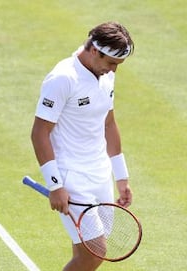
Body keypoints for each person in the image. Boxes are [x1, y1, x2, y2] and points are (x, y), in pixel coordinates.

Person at [31, 21, 135, 271]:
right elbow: (39, 133)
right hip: (71, 176)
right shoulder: (62, 78)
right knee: (95, 253)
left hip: (99, 174)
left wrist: (121, 177)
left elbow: (108, 123)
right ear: (94, 51)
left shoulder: (105, 75)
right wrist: (56, 185)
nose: (113, 71)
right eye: (111, 63)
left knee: (84, 249)